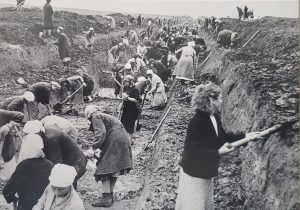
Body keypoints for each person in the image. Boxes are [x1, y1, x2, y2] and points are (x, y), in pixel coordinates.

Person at [175, 82, 260, 210]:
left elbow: (223, 139)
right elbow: (192, 151)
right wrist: (217, 153)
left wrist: (246, 137)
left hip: (204, 172)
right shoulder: (197, 122)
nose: (222, 101)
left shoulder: (213, 117)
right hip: (194, 174)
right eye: (219, 98)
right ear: (210, 100)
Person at [85, 105, 133, 207]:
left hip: (115, 139)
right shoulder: (104, 116)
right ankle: (110, 195)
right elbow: (105, 132)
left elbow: (101, 133)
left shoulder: (96, 116)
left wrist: (93, 148)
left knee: (105, 167)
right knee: (114, 168)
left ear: (89, 115)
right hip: (122, 138)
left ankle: (106, 198)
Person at [22, 120, 87, 189]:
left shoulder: (50, 139)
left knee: (62, 183)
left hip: (76, 163)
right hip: (70, 159)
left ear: (39, 132)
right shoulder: (45, 130)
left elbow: (56, 163)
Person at [3, 134, 53, 210]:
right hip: (46, 204)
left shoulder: (24, 165)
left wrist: (11, 197)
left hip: (27, 205)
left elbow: (8, 189)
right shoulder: (50, 164)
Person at [0, 112, 24, 181]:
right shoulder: (4, 130)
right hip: (6, 155)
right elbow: (1, 144)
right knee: (6, 176)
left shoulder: (8, 127)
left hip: (9, 153)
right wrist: (0, 159)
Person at [120, 75, 141, 141]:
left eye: (126, 82)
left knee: (129, 125)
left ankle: (129, 141)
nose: (125, 84)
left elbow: (135, 100)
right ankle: (125, 139)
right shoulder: (126, 88)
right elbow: (122, 96)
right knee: (123, 124)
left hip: (132, 110)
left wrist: (127, 97)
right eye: (124, 82)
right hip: (126, 108)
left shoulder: (135, 89)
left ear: (130, 82)